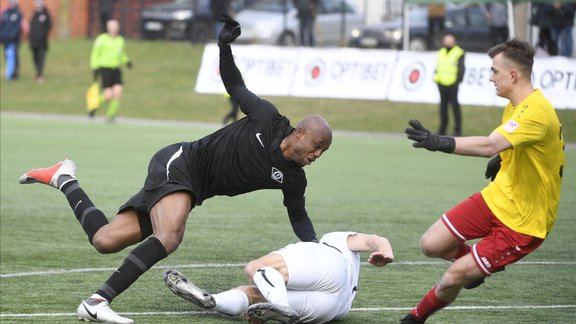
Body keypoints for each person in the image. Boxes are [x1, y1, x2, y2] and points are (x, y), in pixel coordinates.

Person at [18, 13, 332, 324]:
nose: (318, 154)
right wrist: (224, 46)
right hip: (181, 163)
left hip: (191, 188)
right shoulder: (267, 117)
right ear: (300, 133)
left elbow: (299, 216)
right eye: (317, 145)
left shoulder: (293, 179)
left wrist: (316, 252)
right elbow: (235, 85)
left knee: (105, 240)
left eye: (323, 151)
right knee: (169, 236)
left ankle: (63, 177)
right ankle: (97, 301)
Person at [401, 38, 565, 323]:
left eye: (495, 71)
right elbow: (514, 146)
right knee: (431, 244)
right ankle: (478, 266)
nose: (490, 77)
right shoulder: (516, 105)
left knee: (454, 276)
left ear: (513, 75)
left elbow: (490, 144)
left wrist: (440, 142)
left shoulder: (536, 111)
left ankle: (416, 317)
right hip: (498, 198)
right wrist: (503, 159)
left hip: (524, 221)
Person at [163, 231, 394, 323]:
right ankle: (212, 300)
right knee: (254, 296)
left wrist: (384, 248)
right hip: (334, 310)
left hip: (330, 266)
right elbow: (377, 241)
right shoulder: (348, 291)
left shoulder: (333, 240)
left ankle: (279, 306)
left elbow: (373, 238)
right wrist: (386, 251)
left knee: (256, 268)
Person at [90, 19, 132, 123]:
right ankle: (93, 105)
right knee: (108, 96)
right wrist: (95, 67)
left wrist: (127, 61)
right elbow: (95, 54)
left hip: (116, 69)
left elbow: (121, 54)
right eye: (111, 27)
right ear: (108, 28)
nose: (113, 29)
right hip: (105, 69)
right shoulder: (101, 39)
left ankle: (110, 116)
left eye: (115, 27)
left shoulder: (120, 40)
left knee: (118, 92)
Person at [434, 34, 465, 136]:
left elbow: (461, 69)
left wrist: (458, 81)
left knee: (455, 107)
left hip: (452, 84)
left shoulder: (459, 52)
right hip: (441, 83)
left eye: (450, 40)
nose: (448, 42)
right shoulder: (441, 52)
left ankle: (457, 130)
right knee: (443, 107)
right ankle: (442, 129)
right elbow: (439, 66)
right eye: (446, 40)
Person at [29, 0, 52, 83]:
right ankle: (37, 73)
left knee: (41, 57)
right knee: (35, 58)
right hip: (34, 41)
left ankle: (40, 74)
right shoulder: (34, 14)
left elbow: (49, 25)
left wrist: (43, 35)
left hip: (42, 42)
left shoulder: (45, 14)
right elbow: (31, 28)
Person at [0, 0, 23, 80]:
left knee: (15, 56)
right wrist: (1, 37)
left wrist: (12, 36)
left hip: (14, 40)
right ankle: (9, 71)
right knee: (7, 56)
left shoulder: (18, 13)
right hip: (5, 40)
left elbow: (17, 27)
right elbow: (2, 26)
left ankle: (15, 73)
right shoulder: (5, 13)